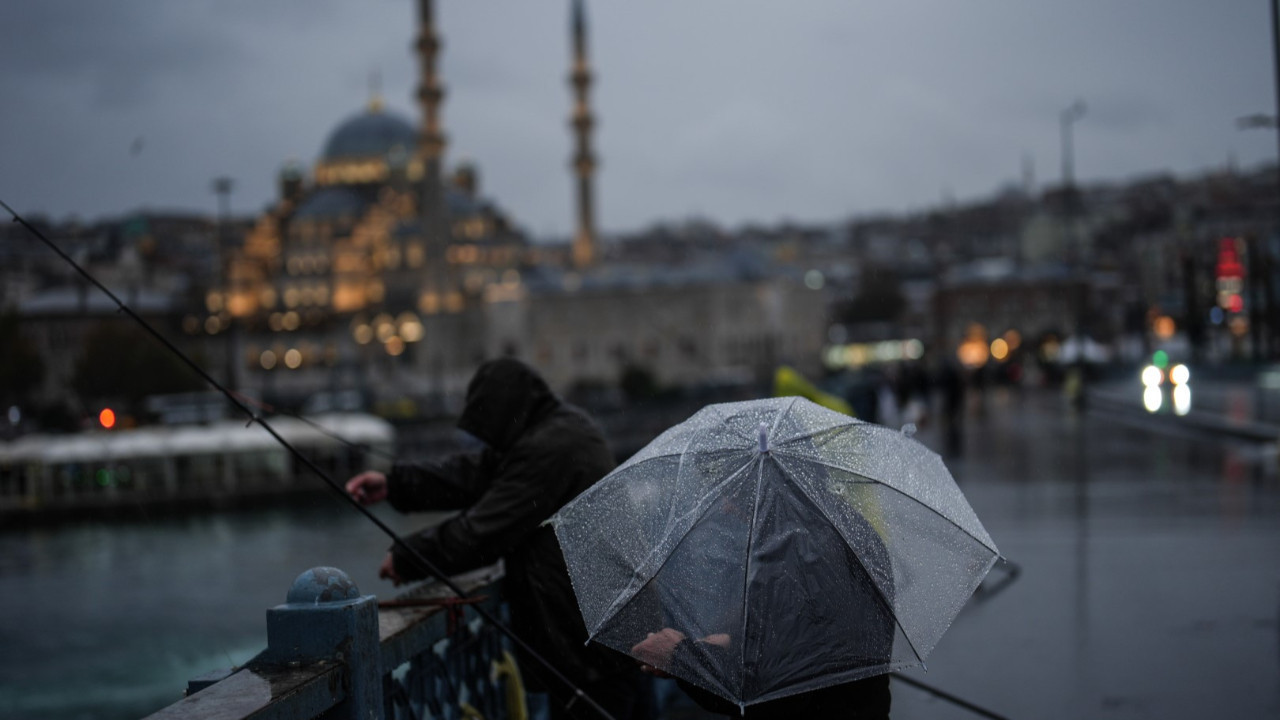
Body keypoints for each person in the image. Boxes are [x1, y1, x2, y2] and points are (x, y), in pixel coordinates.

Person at [346, 358, 651, 720]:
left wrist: (407, 557)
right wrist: (395, 484)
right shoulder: (558, 430)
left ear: (505, 411)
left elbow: (484, 532)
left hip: (593, 653)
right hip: (605, 640)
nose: (487, 440)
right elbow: (479, 472)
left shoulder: (551, 447)